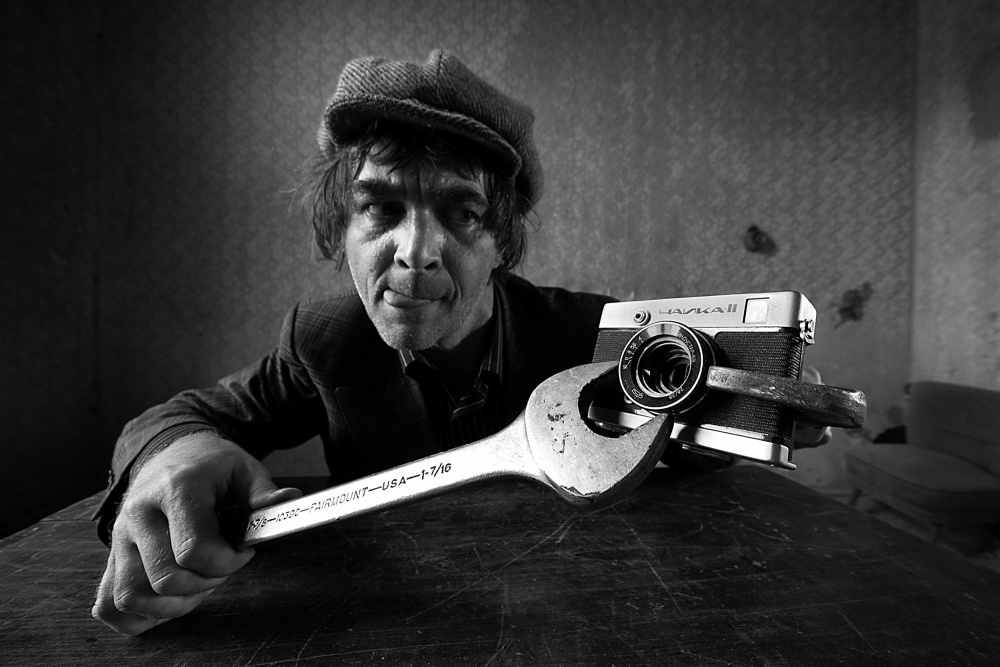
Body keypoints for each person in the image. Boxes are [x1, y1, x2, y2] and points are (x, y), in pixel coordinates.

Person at [92, 50, 828, 636]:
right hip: (386, 621)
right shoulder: (322, 341)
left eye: (462, 213)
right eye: (379, 207)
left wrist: (738, 416)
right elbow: (176, 418)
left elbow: (680, 460)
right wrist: (172, 453)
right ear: (341, 228)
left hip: (575, 616)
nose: (416, 252)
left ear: (501, 240)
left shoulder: (601, 340)